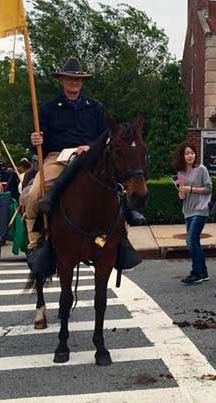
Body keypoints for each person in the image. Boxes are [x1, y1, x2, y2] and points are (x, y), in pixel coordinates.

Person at [25, 57, 142, 269]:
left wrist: (89, 146)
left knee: (118, 189)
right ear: (62, 80)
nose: (74, 82)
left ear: (82, 82)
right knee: (33, 195)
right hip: (58, 157)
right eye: (70, 78)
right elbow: (38, 141)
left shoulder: (95, 107)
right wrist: (35, 140)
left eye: (78, 79)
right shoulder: (48, 108)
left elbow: (104, 134)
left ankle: (122, 241)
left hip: (89, 156)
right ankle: (35, 244)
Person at [172, 141, 212, 285]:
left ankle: (196, 272)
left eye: (192, 153)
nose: (190, 156)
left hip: (201, 209)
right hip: (187, 210)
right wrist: (181, 193)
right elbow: (181, 193)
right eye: (187, 153)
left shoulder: (202, 169)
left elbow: (208, 189)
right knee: (195, 241)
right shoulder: (180, 174)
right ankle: (203, 272)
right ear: (182, 156)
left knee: (190, 240)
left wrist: (190, 189)